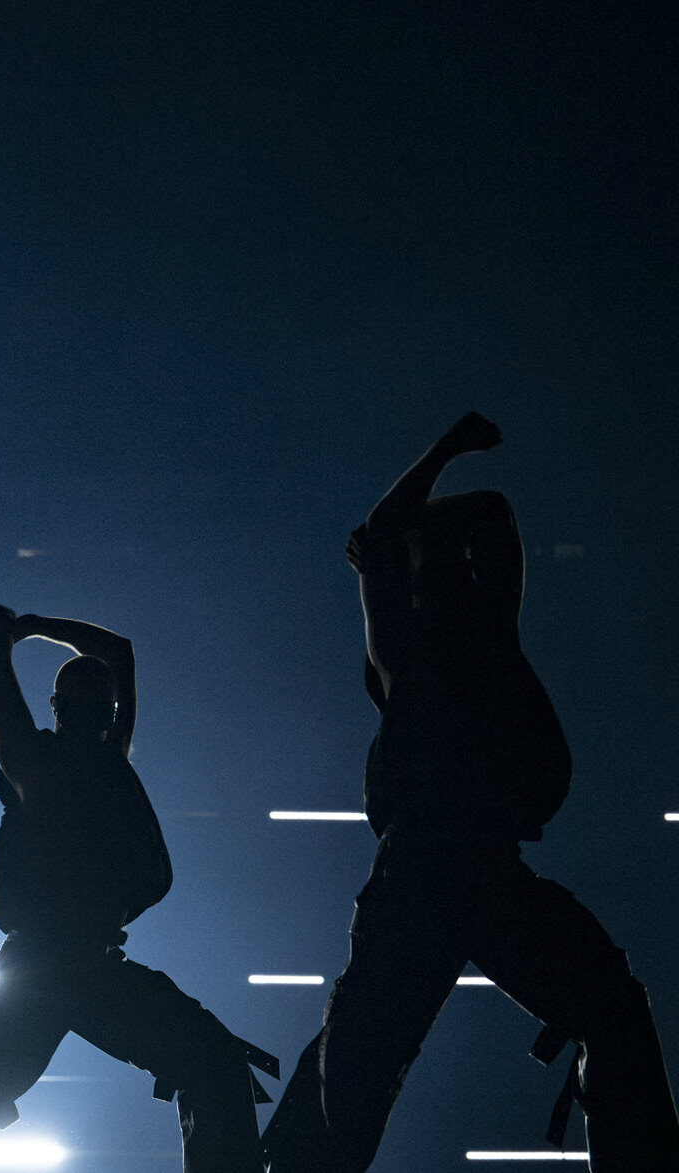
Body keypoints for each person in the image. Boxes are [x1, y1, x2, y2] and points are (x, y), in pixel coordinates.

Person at [263, 413, 679, 1171]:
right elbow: (393, 529)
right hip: (425, 871)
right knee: (350, 1089)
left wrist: (421, 517)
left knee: (611, 1008)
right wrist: (444, 454)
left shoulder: (488, 631)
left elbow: (486, 518)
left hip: (476, 871)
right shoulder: (406, 651)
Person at [0, 604, 274, 1173]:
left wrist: (4, 635)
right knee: (211, 1064)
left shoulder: (38, 758)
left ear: (59, 708)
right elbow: (120, 654)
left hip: (57, 966)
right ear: (104, 712)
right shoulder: (85, 758)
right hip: (66, 965)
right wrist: (32, 630)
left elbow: (53, 664)